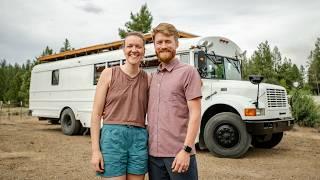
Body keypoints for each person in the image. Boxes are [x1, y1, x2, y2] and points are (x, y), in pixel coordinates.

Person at [90, 32, 149, 180]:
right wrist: (95, 151)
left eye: (138, 46)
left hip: (139, 137)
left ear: (144, 51)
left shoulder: (148, 79)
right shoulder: (108, 74)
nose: (134, 50)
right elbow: (96, 115)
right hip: (112, 137)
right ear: (123, 50)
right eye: (130, 46)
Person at [147, 23, 202, 180]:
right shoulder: (153, 77)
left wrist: (186, 150)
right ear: (154, 45)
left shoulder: (188, 72)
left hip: (179, 155)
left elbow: (196, 113)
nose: (163, 46)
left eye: (168, 41)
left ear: (176, 44)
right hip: (154, 157)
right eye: (159, 42)